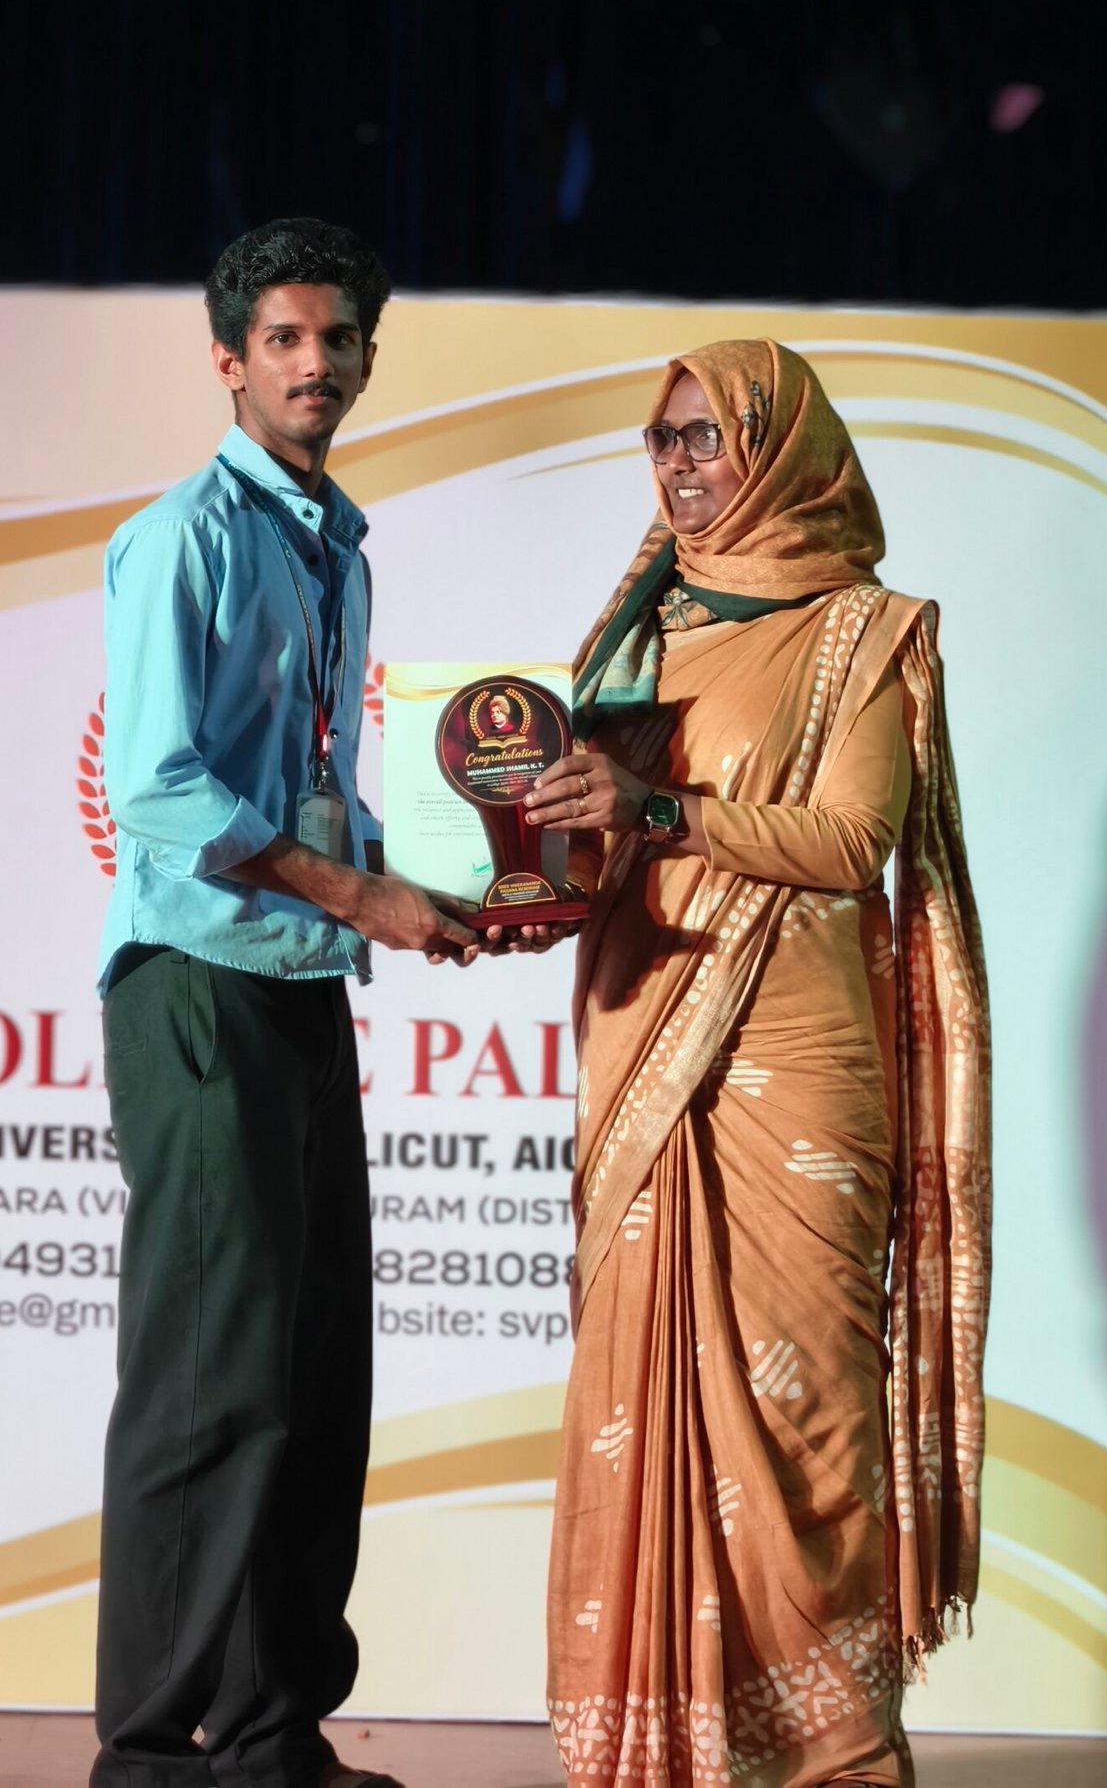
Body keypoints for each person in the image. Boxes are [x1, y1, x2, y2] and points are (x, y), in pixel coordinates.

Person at [524, 340, 991, 1788]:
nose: (678, 465)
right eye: (661, 440)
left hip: (796, 1059)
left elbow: (854, 842)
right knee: (644, 1389)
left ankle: (837, 1750)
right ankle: (678, 1743)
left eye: (706, 436)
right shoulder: (638, 622)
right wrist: (507, 874)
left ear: (780, 449)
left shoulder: (865, 631)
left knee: (814, 1408)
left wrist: (661, 808)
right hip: (644, 1035)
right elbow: (585, 839)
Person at [90, 217, 479, 1788]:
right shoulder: (182, 535)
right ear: (230, 360)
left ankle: (267, 1736)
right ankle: (150, 1753)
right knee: (210, 1378)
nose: (317, 363)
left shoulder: (337, 545)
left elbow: (314, 782)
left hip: (305, 979)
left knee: (314, 1374)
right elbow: (159, 788)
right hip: (197, 983)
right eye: (286, 339)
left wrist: (441, 883)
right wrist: (360, 894)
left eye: (340, 339)